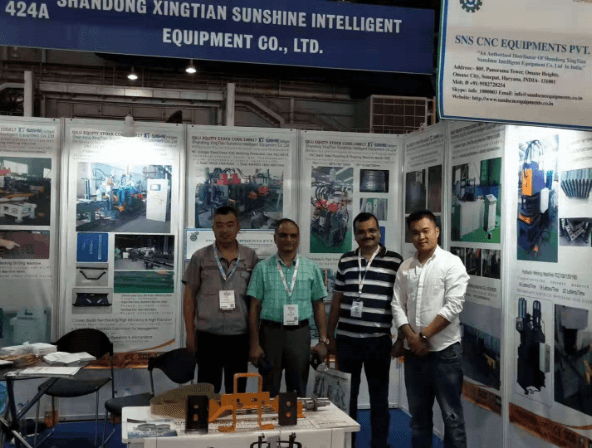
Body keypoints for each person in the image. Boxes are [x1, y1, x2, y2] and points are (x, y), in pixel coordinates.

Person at [391, 209, 470, 448]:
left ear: (437, 231)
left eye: (426, 231)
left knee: (452, 419)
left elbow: (453, 306)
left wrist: (423, 336)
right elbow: (397, 304)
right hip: (415, 355)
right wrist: (411, 337)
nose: (421, 237)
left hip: (446, 354)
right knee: (418, 420)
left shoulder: (451, 263)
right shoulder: (405, 267)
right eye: (415, 233)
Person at [327, 212, 403, 448]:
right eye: (361, 232)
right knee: (347, 396)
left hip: (378, 341)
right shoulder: (346, 260)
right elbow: (337, 300)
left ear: (379, 232)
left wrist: (401, 337)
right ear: (355, 235)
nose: (367, 235)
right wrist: (329, 336)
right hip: (347, 341)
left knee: (379, 397)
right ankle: (347, 443)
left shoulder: (395, 261)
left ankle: (379, 443)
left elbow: (402, 303)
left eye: (371, 230)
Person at [182, 205, 259, 393]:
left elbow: (256, 302)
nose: (225, 230)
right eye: (219, 225)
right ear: (213, 228)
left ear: (238, 227)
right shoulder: (200, 257)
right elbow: (189, 297)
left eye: (230, 224)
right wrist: (190, 334)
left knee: (237, 393)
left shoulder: (250, 257)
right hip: (208, 337)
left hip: (239, 337)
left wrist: (255, 340)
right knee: (207, 393)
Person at [248, 218, 328, 397]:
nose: (288, 240)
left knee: (298, 389)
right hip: (270, 335)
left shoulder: (311, 268)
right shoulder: (262, 268)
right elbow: (254, 307)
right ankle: (269, 415)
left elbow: (319, 305)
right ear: (275, 238)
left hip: (299, 335)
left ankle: (296, 415)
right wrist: (254, 344)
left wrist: (323, 341)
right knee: (268, 390)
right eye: (283, 235)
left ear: (298, 238)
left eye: (293, 235)